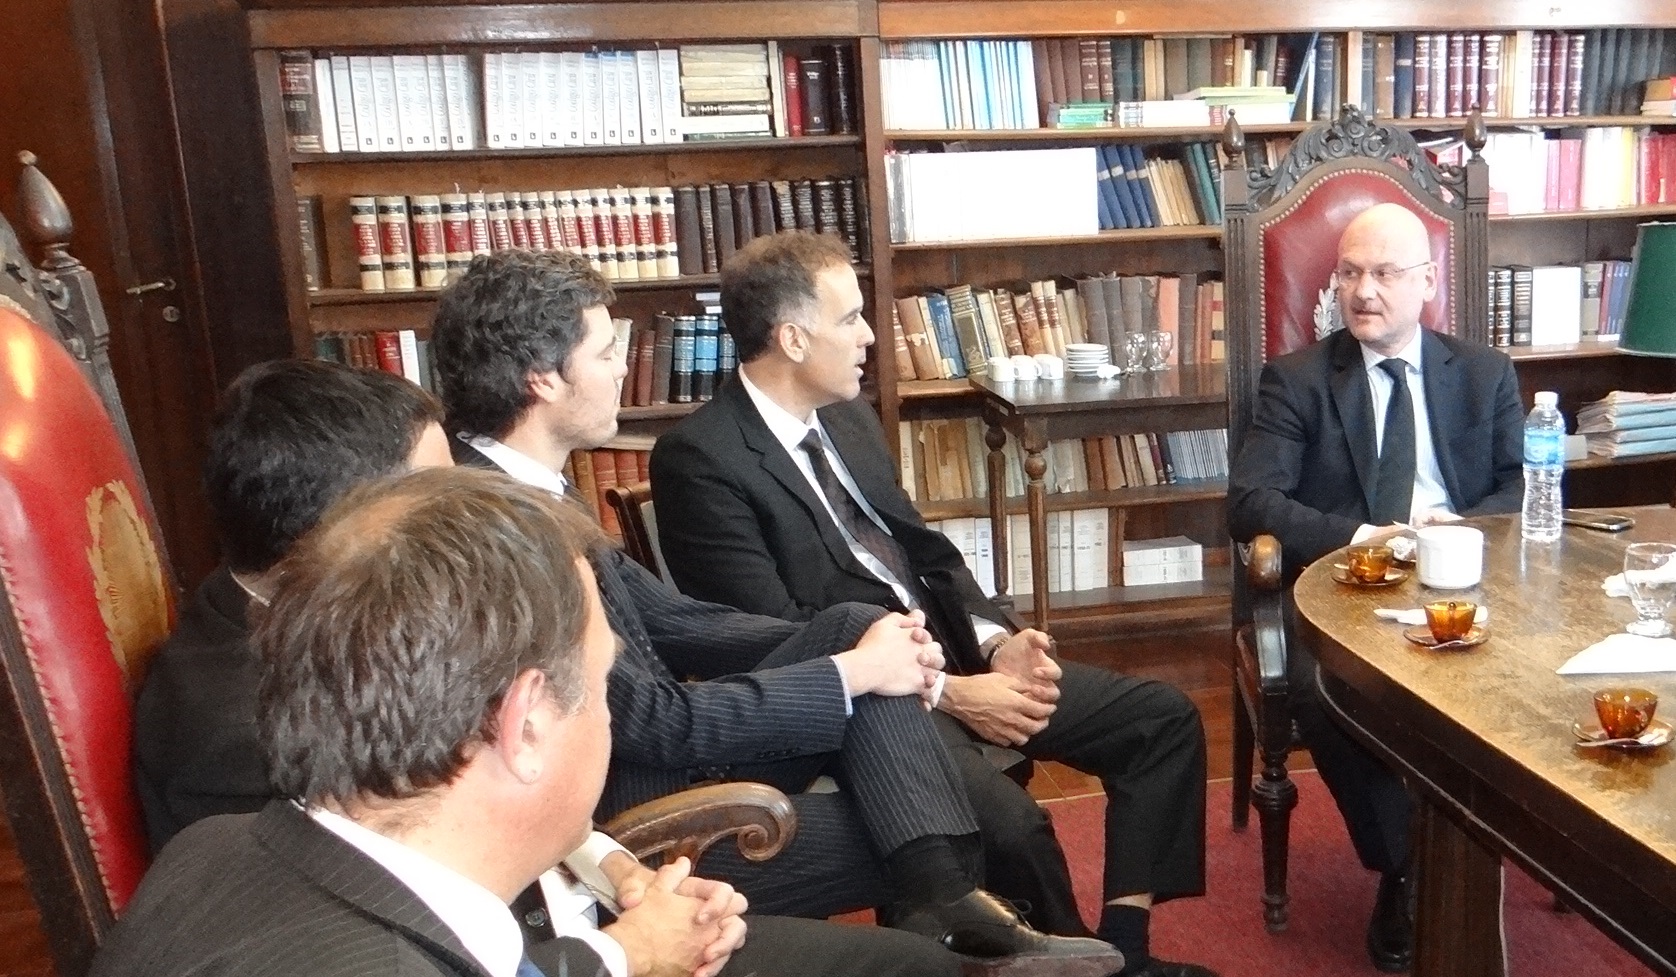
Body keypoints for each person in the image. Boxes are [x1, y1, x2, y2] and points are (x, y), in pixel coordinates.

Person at [127, 361, 964, 977]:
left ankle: (953, 894)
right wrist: (623, 953)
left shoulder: (218, 839)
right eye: (596, 690)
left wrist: (618, 876)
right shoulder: (231, 738)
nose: (468, 503)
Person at [430, 248, 1121, 972]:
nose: (621, 369)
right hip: (630, 820)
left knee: (860, 630)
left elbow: (679, 623)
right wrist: (851, 674)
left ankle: (945, 907)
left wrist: (877, 650)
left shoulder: (526, 488)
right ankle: (946, 906)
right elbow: (656, 720)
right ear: (542, 379)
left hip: (651, 763)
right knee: (944, 824)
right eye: (605, 353)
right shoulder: (503, 528)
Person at [648, 230, 1216, 977]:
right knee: (1012, 825)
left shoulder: (847, 417)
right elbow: (777, 641)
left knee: (1161, 721)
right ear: (792, 338)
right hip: (868, 707)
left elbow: (925, 552)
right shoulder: (701, 458)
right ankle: (1080, 963)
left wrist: (995, 642)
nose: (870, 336)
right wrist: (949, 693)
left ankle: (1124, 953)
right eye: (851, 318)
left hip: (952, 656)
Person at [95, 467, 738, 977]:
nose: (608, 715)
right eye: (600, 687)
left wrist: (626, 947)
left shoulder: (210, 849)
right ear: (525, 727)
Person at [1227, 202, 1524, 972]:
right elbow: (1250, 502)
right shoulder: (1297, 380)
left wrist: (1458, 528)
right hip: (1344, 591)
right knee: (1322, 685)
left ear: (1427, 282)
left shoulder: (1484, 373)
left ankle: (1517, 844)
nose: (1364, 291)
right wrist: (1363, 537)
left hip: (1463, 582)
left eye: (1386, 273)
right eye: (1350, 273)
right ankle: (1406, 864)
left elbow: (1521, 486)